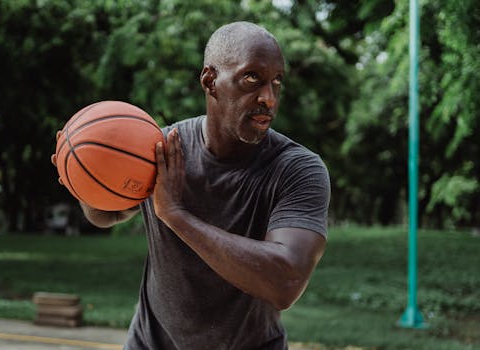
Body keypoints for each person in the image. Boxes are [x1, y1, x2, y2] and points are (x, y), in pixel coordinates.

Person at [53, 21, 330, 350]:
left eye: (277, 81)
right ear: (210, 81)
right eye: (252, 78)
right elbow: (107, 215)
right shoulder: (162, 150)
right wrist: (85, 181)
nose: (268, 98)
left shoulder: (297, 169)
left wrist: (176, 215)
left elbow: (286, 280)